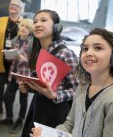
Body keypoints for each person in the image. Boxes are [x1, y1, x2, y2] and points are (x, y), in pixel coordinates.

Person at [33, 28, 113, 137]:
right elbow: (70, 124)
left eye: (98, 48)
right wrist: (48, 133)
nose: (88, 53)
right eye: (85, 49)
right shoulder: (82, 87)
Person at [19, 9, 79, 137]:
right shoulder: (38, 52)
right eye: (35, 22)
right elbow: (43, 83)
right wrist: (29, 87)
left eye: (43, 20)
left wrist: (55, 95)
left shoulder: (66, 54)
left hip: (57, 113)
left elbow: (79, 90)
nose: (37, 24)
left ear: (56, 27)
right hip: (37, 106)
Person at [0, 0, 25, 116]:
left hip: (16, 62)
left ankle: (9, 111)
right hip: (1, 59)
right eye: (11, 5)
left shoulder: (23, 23)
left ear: (20, 9)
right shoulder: (1, 20)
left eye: (16, 5)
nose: (13, 7)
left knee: (12, 88)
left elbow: (28, 40)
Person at [0, 18, 33, 134]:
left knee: (23, 99)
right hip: (13, 74)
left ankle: (20, 120)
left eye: (26, 27)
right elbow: (11, 56)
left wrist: (23, 59)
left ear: (30, 30)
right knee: (7, 97)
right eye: (22, 26)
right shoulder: (15, 40)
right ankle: (9, 118)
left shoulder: (32, 42)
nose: (23, 29)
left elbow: (33, 61)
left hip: (24, 76)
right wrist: (9, 56)